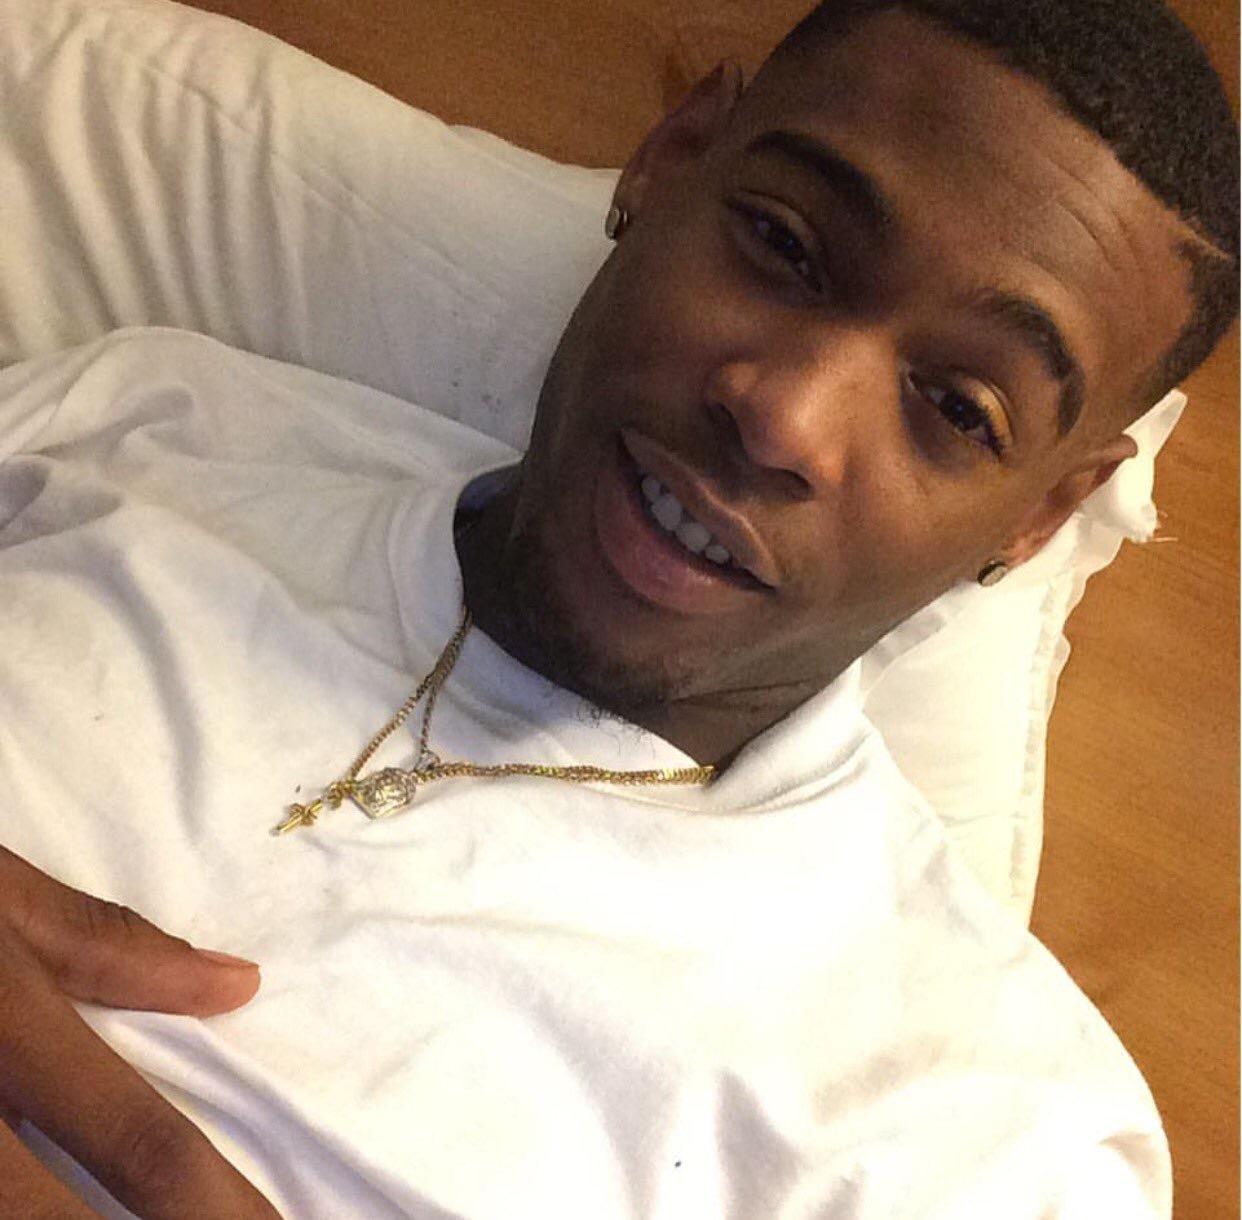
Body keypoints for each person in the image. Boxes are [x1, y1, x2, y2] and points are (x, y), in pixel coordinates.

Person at [0, 0, 1235, 1215]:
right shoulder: (151, 428)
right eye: (784, 245)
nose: (786, 415)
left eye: (959, 409)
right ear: (674, 161)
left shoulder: (990, 1141)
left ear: (1038, 516)